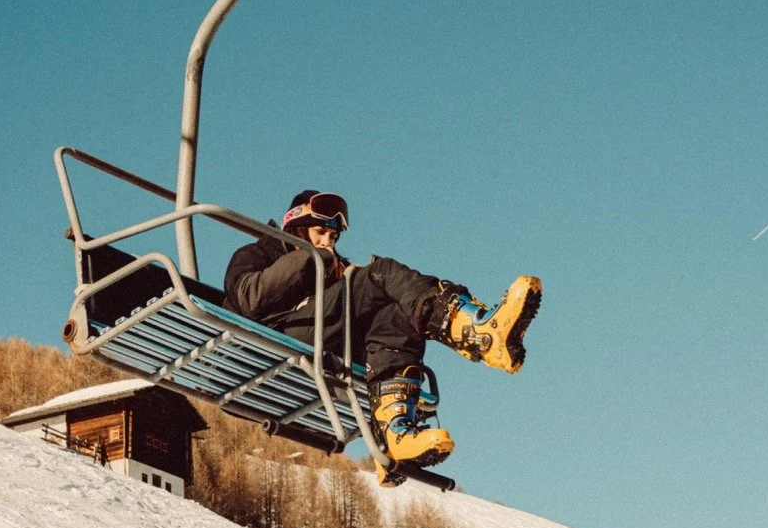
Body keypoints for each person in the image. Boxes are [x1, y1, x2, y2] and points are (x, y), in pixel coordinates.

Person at [223, 190, 541, 477]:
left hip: (319, 339)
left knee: (399, 310)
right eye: (320, 233)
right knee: (379, 274)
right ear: (295, 229)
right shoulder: (258, 253)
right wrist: (310, 257)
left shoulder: (330, 270)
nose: (327, 242)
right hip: (273, 336)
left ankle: (394, 431)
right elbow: (249, 298)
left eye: (332, 237)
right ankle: (472, 329)